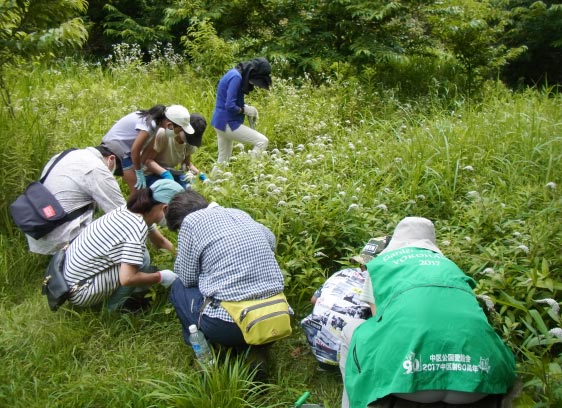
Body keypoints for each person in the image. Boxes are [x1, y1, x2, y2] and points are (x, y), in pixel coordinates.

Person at [340, 217, 517, 408]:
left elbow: (379, 321)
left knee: (352, 329)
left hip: (409, 381)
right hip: (477, 381)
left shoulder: (382, 265)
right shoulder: (450, 267)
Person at [164, 190, 288, 363]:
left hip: (229, 327)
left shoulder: (190, 222)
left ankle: (205, 354)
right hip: (277, 315)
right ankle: (256, 350)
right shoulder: (238, 213)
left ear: (180, 221)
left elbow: (187, 278)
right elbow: (271, 242)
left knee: (179, 287)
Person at [62, 179, 184, 310]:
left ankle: (131, 291)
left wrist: (181, 258)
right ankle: (114, 307)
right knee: (138, 261)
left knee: (140, 256)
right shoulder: (136, 229)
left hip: (69, 277)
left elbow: (160, 242)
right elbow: (127, 278)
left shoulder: (132, 211)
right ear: (165, 208)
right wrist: (161, 277)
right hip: (80, 290)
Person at [300, 237, 389, 371]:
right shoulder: (381, 282)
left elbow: (314, 299)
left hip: (319, 352)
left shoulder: (343, 272)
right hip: (350, 357)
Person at [25, 146, 126, 255]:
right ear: (111, 159)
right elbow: (123, 215)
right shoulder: (97, 168)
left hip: (38, 230)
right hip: (60, 238)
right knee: (136, 252)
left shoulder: (64, 155)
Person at [101, 104, 195, 191]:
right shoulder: (150, 125)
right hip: (116, 148)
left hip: (125, 149)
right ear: (169, 125)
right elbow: (135, 150)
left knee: (142, 189)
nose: (178, 133)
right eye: (179, 130)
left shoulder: (157, 123)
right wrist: (138, 172)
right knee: (138, 192)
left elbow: (147, 150)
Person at [210, 57, 272, 165]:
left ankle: (211, 182)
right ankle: (251, 173)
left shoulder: (234, 74)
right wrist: (245, 110)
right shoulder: (236, 77)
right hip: (228, 123)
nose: (254, 84)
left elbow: (227, 99)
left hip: (219, 122)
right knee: (262, 141)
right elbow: (230, 105)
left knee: (223, 160)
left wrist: (246, 108)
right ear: (252, 73)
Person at [142, 112, 207, 188]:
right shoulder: (164, 134)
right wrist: (165, 174)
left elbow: (187, 164)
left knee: (190, 191)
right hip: (152, 174)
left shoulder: (189, 142)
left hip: (172, 173)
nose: (189, 141)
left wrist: (201, 175)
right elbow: (147, 161)